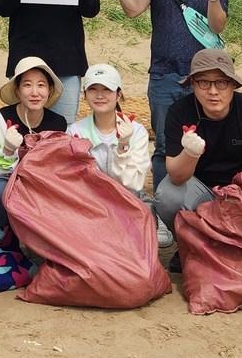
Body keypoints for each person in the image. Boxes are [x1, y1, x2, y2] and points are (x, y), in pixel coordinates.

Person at [110, 0, 229, 189]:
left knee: (204, 142)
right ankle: (165, 208)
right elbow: (133, 10)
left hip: (205, 77)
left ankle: (201, 203)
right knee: (165, 143)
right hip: (164, 73)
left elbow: (218, 25)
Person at [154, 49, 242, 268]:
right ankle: (189, 246)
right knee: (167, 194)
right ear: (192, 84)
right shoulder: (179, 112)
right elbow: (176, 176)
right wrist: (190, 153)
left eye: (221, 83)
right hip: (201, 190)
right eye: (204, 83)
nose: (213, 91)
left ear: (233, 85)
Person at [67, 64, 168, 245]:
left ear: (118, 93)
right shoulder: (74, 131)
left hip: (127, 201)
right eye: (93, 89)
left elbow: (134, 183)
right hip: (89, 206)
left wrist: (123, 146)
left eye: (107, 89)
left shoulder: (136, 132)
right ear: (84, 94)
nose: (99, 95)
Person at [0, 57, 68, 230]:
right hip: (6, 179)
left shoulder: (58, 123)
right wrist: (8, 149)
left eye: (41, 85)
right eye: (27, 85)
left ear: (49, 90)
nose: (35, 92)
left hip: (41, 184)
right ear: (17, 91)